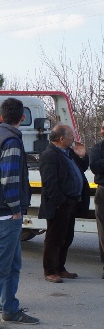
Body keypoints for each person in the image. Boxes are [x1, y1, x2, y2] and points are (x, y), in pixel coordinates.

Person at [0, 98, 40, 329]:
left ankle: (11, 309)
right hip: (7, 212)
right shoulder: (11, 141)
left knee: (13, 263)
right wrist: (16, 209)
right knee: (2, 265)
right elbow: (10, 180)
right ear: (22, 118)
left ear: (1, 117)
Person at [37, 124, 89, 282]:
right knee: (54, 238)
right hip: (59, 204)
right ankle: (50, 271)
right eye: (71, 136)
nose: (73, 138)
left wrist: (82, 155)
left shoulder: (68, 153)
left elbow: (82, 168)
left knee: (66, 237)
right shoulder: (49, 155)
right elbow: (49, 183)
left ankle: (60, 267)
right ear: (61, 138)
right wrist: (61, 202)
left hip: (72, 202)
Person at [88, 120, 104, 279]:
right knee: (103, 230)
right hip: (103, 192)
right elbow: (95, 166)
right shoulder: (97, 148)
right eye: (102, 127)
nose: (102, 130)